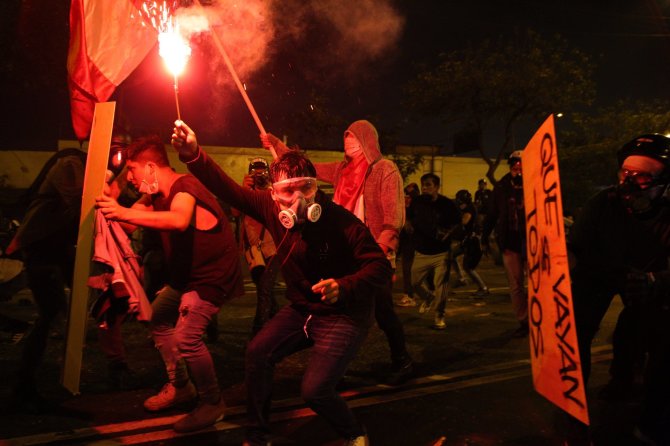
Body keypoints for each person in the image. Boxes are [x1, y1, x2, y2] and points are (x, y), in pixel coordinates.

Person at [172, 120, 392, 446]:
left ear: (316, 187)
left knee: (315, 390)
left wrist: (344, 286)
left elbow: (380, 268)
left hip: (344, 313)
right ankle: (257, 435)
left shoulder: (340, 220)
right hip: (303, 308)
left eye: (306, 188)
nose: (299, 198)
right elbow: (226, 189)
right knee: (258, 353)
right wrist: (193, 155)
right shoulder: (267, 208)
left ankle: (354, 432)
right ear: (273, 196)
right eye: (289, 190)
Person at [96, 135, 243, 433]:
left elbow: (178, 219)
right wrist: (109, 198)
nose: (132, 179)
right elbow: (127, 221)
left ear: (150, 167)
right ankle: (182, 386)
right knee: (160, 316)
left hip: (211, 277)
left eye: (134, 171)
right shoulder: (153, 194)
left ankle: (213, 402)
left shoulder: (185, 186)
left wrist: (121, 210)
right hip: (187, 276)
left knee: (188, 337)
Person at [262, 120, 414, 386]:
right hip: (343, 250)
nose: (347, 142)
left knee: (382, 308)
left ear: (367, 140)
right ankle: (333, 367)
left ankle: (402, 359)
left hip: (371, 249)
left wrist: (381, 251)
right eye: (345, 136)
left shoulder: (384, 170)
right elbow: (308, 171)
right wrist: (277, 145)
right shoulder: (342, 170)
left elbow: (393, 216)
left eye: (353, 137)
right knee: (339, 308)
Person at [5, 138, 135, 411]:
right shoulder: (71, 163)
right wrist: (114, 177)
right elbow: (83, 204)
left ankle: (111, 365)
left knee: (100, 293)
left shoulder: (90, 170)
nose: (117, 154)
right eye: (115, 147)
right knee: (51, 313)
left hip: (61, 246)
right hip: (42, 246)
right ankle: (23, 384)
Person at [569, 134, 670, 445]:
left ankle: (642, 402)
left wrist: (658, 281)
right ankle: (571, 402)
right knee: (575, 327)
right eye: (625, 173)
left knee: (654, 335)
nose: (628, 183)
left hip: (650, 278)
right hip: (602, 271)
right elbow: (577, 246)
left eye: (641, 177)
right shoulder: (602, 203)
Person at [482, 151, 528, 338]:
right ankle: (524, 320)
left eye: (521, 165)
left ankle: (539, 318)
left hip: (531, 241)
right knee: (516, 284)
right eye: (515, 165)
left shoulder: (536, 183)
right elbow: (492, 213)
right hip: (510, 242)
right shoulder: (501, 187)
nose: (518, 168)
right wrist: (484, 236)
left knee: (536, 284)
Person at [407, 173, 460, 330]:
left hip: (441, 252)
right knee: (414, 283)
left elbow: (457, 222)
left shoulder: (447, 204)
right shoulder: (417, 202)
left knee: (441, 286)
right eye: (423, 185)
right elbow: (409, 217)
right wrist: (408, 224)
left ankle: (439, 315)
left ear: (436, 186)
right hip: (421, 251)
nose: (424, 188)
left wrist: (449, 233)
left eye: (428, 185)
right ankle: (428, 297)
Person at [238, 157, 280, 336]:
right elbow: (234, 212)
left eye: (263, 172)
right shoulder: (246, 190)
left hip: (272, 246)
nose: (259, 176)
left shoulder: (274, 191)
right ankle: (280, 321)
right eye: (256, 173)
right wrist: (243, 189)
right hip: (253, 247)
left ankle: (258, 333)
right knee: (264, 289)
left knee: (264, 289)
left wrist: (272, 188)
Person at [452, 189, 488, 297]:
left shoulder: (469, 209)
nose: (459, 204)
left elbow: (464, 221)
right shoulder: (468, 208)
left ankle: (483, 288)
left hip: (473, 241)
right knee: (451, 255)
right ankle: (461, 279)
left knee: (468, 267)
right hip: (468, 240)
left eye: (460, 201)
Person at [397, 183, 420, 307]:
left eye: (409, 194)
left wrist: (409, 222)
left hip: (413, 240)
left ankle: (410, 295)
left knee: (409, 268)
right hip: (405, 239)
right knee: (407, 268)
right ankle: (411, 293)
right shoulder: (405, 205)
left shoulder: (418, 205)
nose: (407, 197)